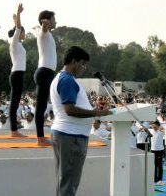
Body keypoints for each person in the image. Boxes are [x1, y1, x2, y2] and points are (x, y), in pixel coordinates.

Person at [50, 46, 112, 196]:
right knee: (69, 183)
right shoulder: (66, 80)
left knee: (67, 181)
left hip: (69, 135)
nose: (84, 68)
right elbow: (70, 110)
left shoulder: (66, 78)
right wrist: (96, 112)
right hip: (70, 136)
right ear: (73, 61)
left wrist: (94, 109)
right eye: (83, 63)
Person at [35, 10, 57, 146]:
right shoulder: (43, 33)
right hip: (44, 72)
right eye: (53, 19)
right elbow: (43, 29)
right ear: (46, 21)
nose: (56, 21)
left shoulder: (49, 35)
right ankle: (40, 139)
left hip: (47, 73)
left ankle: (41, 138)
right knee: (41, 106)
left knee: (42, 105)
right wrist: (44, 24)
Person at [8, 3, 27, 137]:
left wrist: (15, 19)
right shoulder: (14, 42)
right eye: (22, 32)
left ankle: (14, 130)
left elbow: (17, 27)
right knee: (14, 103)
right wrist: (19, 14)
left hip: (18, 73)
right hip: (16, 74)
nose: (24, 33)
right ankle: (14, 130)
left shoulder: (17, 43)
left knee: (15, 102)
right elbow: (18, 28)